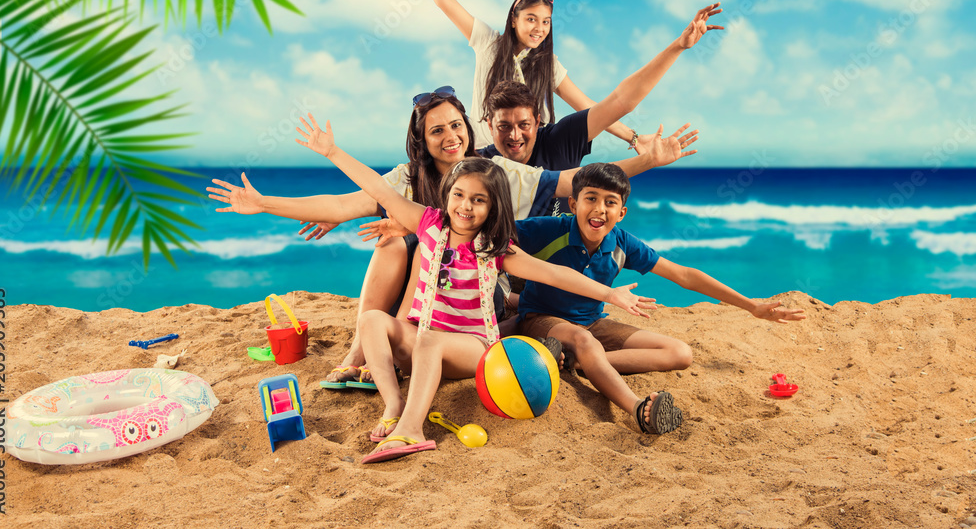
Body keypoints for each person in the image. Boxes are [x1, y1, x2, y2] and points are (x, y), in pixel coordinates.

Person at [207, 91, 697, 386]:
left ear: (468, 128)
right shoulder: (408, 178)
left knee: (414, 239)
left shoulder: (495, 173)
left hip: (476, 293)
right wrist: (266, 203)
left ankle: (394, 357)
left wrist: (646, 160)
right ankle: (360, 352)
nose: (449, 136)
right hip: (419, 298)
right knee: (395, 242)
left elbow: (576, 184)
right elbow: (345, 203)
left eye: (456, 125)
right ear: (423, 137)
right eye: (436, 129)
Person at [293, 118, 685, 462]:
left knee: (430, 340)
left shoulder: (495, 249)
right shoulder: (429, 223)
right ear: (447, 196)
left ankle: (412, 431)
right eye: (459, 196)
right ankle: (394, 404)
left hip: (472, 348)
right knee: (373, 320)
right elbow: (380, 190)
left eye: (479, 200)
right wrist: (332, 151)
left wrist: (610, 294)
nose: (466, 206)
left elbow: (555, 275)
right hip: (423, 342)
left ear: (493, 207)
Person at [389, 0, 723, 151]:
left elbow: (590, 107)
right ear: (514, 20)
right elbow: (444, 0)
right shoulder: (488, 43)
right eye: (531, 19)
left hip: (533, 158)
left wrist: (634, 138)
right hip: (484, 159)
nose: (539, 29)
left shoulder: (548, 65)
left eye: (546, 22)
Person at [514, 163, 807, 431]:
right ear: (573, 203)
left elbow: (684, 275)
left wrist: (751, 306)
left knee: (680, 353)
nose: (599, 209)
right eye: (590, 198)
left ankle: (578, 364)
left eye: (610, 202)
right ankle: (637, 408)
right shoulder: (547, 230)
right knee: (583, 341)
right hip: (542, 319)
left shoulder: (622, 244)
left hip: (592, 323)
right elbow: (498, 233)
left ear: (622, 212)